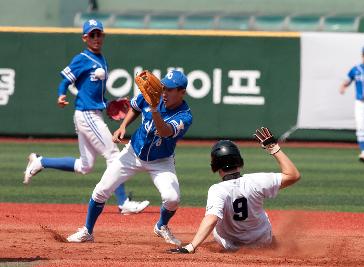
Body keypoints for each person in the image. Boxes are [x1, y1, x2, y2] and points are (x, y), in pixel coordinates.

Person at [23, 19, 149, 214]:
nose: (96, 38)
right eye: (92, 34)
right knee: (114, 155)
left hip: (92, 112)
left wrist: (108, 103)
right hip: (87, 114)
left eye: (99, 34)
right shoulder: (82, 58)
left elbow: (94, 92)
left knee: (85, 165)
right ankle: (123, 202)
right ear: (85, 38)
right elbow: (65, 80)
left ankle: (40, 162)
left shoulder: (102, 59)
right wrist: (61, 94)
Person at [66, 70, 193, 245]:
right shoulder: (151, 95)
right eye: (163, 87)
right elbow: (135, 107)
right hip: (133, 152)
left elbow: (164, 131)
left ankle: (161, 226)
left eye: (170, 90)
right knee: (102, 189)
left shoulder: (184, 116)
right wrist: (123, 126)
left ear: (182, 92)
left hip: (161, 161)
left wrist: (154, 109)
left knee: (172, 198)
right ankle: (87, 230)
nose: (164, 92)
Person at [169, 127, 301, 253]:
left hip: (231, 246)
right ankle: (270, 243)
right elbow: (293, 175)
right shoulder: (256, 181)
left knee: (216, 220)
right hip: (262, 241)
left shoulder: (217, 190)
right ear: (239, 161)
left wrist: (191, 246)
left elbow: (212, 219)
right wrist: (274, 148)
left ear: (215, 166)